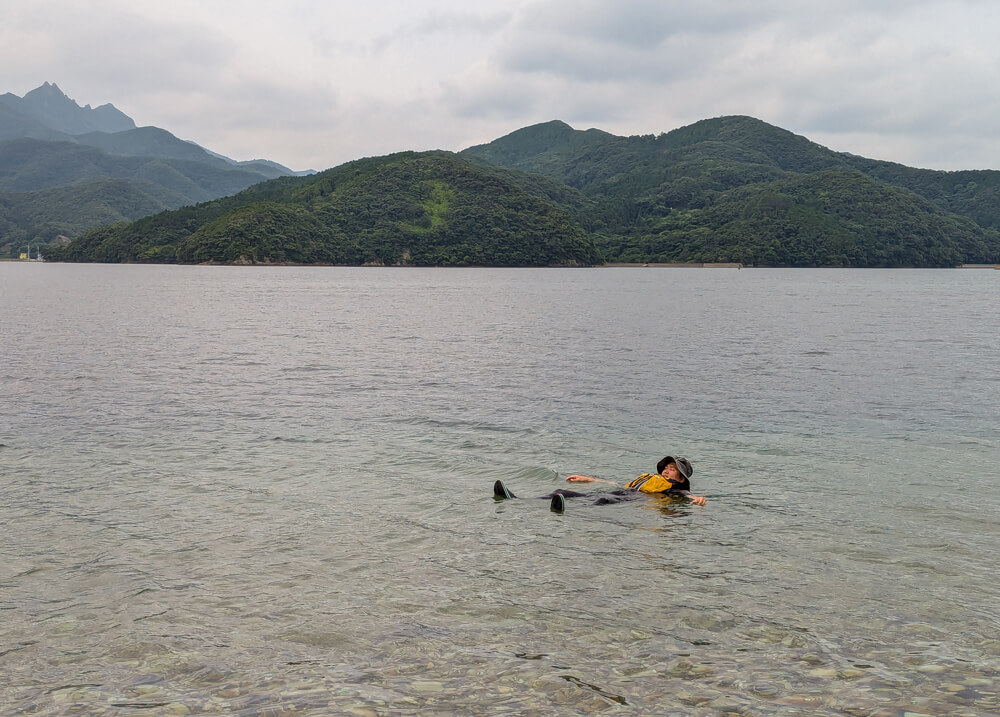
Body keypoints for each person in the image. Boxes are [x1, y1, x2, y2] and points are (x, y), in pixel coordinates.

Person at [493, 455, 707, 512]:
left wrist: (696, 499)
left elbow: (685, 496)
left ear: (681, 478)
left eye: (673, 470)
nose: (668, 470)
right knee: (561, 490)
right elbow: (621, 483)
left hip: (630, 501)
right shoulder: (652, 479)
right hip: (624, 492)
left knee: (602, 499)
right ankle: (518, 499)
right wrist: (590, 479)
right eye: (667, 467)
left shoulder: (676, 489)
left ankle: (568, 511)